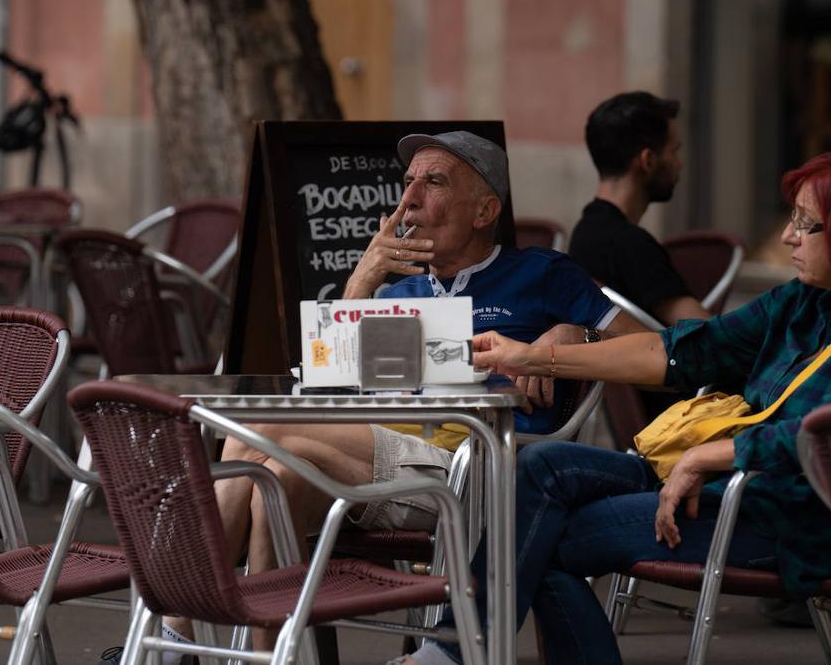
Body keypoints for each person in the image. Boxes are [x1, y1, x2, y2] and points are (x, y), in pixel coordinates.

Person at [396, 149, 831, 665]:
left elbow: (823, 433)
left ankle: (453, 652)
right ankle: (455, 651)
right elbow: (684, 350)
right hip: (717, 479)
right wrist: (536, 357)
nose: (787, 236)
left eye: (806, 224)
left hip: (789, 512)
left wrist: (708, 457)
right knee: (541, 468)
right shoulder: (808, 299)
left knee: (542, 538)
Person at [149, 131, 642, 661]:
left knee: (263, 429)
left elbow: (646, 343)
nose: (408, 199)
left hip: (479, 473)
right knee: (276, 481)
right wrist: (360, 282)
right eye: (407, 183)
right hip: (388, 465)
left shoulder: (542, 273)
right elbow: (328, 388)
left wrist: (576, 335)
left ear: (484, 210)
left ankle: (172, 634)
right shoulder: (398, 290)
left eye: (432, 182)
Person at [570, 91, 709, 325]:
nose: (679, 163)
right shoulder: (632, 246)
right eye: (674, 151)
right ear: (648, 161)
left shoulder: (583, 233)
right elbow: (710, 337)